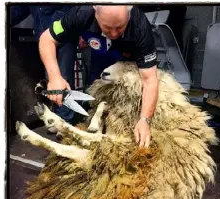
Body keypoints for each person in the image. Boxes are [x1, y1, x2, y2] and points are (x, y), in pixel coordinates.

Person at [39, 5, 159, 148]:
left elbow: (150, 80)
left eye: (120, 27)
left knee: (130, 105)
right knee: (96, 95)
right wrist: (54, 77)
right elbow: (47, 39)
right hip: (100, 54)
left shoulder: (140, 27)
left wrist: (145, 119)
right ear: (95, 11)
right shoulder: (80, 14)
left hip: (129, 65)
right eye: (107, 27)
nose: (114, 33)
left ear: (129, 13)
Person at [10, 5, 77, 134]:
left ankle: (65, 122)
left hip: (63, 35)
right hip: (42, 36)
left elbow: (73, 8)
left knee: (63, 76)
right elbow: (19, 9)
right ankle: (57, 117)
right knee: (49, 79)